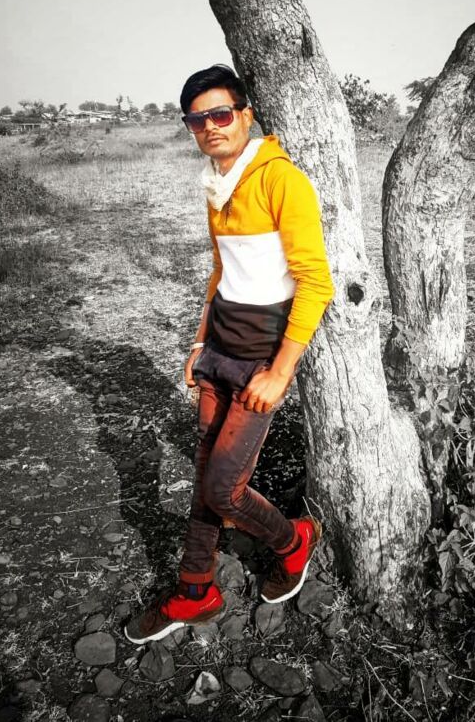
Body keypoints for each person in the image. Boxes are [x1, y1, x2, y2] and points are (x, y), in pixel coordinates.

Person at [125, 64, 334, 644]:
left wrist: (281, 372)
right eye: (198, 120)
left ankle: (294, 541)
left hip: (259, 363)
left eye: (221, 114)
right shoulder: (218, 183)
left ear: (246, 115)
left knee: (224, 490)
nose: (211, 127)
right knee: (205, 473)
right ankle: (196, 590)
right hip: (218, 351)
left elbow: (316, 282)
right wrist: (199, 344)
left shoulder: (281, 180)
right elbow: (222, 271)